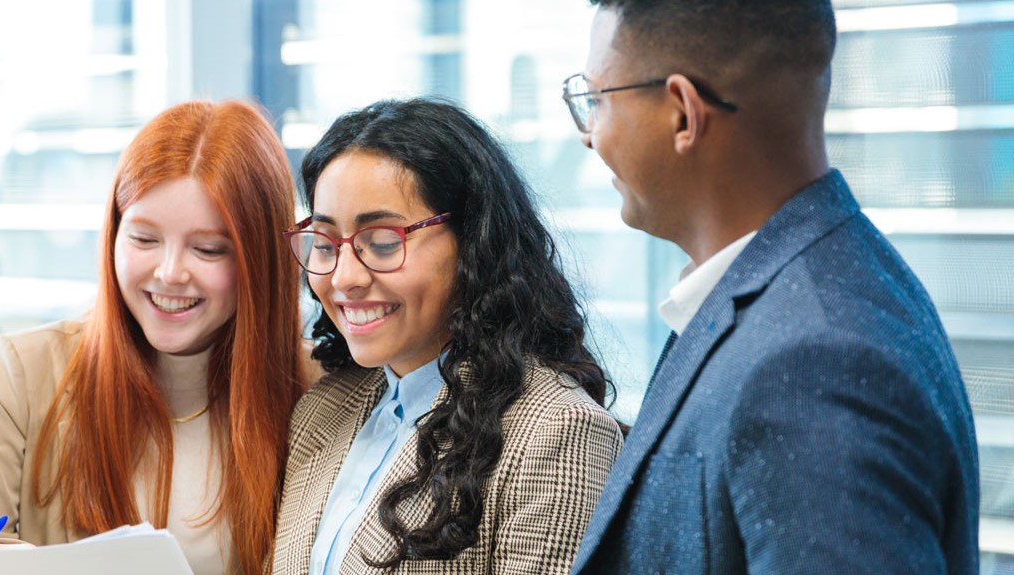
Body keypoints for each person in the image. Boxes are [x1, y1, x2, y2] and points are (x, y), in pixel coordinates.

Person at [564, 2, 979, 573]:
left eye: (598, 99)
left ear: (683, 113)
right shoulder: (801, 295)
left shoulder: (816, 359)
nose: (589, 135)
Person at [0, 99, 305, 575]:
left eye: (208, 249)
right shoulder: (23, 375)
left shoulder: (325, 393)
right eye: (144, 240)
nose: (169, 273)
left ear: (262, 259)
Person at [270, 98, 622, 575]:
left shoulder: (555, 432)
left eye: (383, 241)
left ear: (474, 242)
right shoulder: (324, 408)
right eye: (327, 243)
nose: (344, 277)